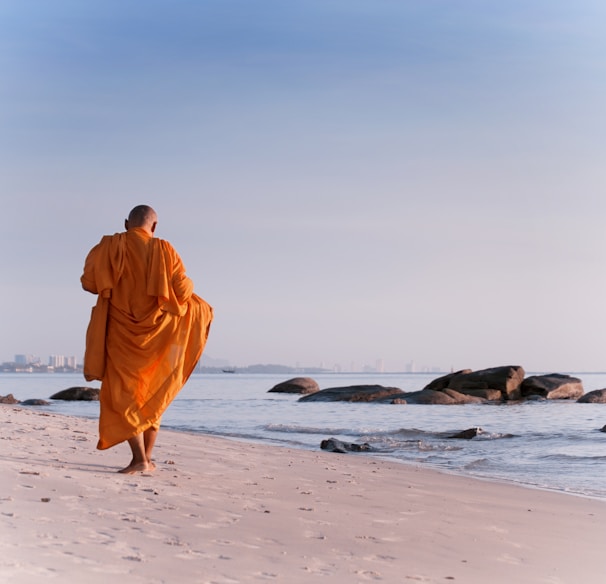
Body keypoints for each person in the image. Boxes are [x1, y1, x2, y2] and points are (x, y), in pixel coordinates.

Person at [81, 205, 213, 474]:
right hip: (158, 339)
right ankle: (147, 458)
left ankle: (140, 459)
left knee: (123, 395)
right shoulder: (165, 251)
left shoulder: (109, 246)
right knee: (151, 393)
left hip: (121, 337)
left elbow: (89, 283)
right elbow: (182, 290)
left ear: (126, 223)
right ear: (154, 227)